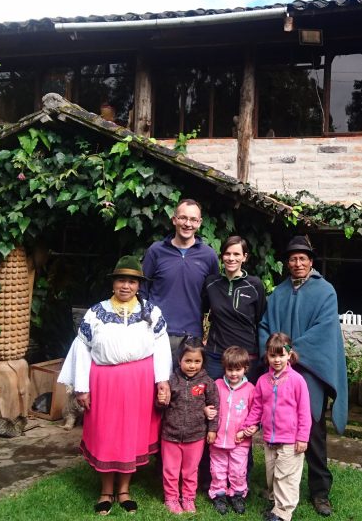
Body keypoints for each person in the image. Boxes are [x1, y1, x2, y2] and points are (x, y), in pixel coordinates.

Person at [57, 255, 171, 515]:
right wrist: (82, 387)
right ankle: (106, 491)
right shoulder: (96, 313)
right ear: (113, 283)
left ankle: (124, 490)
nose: (126, 286)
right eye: (121, 280)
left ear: (138, 285)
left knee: (131, 433)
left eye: (132, 281)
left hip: (140, 381)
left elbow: (161, 346)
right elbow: (82, 349)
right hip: (104, 380)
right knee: (106, 433)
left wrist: (161, 380)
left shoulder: (151, 313)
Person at [257, 235, 347, 517]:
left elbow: (324, 330)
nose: (297, 263)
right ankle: (277, 488)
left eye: (303, 259)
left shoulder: (326, 292)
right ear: (287, 262)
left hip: (309, 373)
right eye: (293, 259)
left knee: (312, 431)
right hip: (277, 373)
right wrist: (274, 353)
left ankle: (320, 491)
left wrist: (291, 352)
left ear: (310, 261)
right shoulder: (278, 294)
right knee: (278, 429)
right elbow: (264, 326)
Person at [240, 333, 311, 521]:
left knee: (285, 477)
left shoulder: (297, 381)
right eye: (273, 356)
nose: (277, 360)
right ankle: (276, 505)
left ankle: (283, 513)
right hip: (270, 438)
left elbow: (304, 412)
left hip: (291, 440)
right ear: (267, 356)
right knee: (272, 475)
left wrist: (302, 437)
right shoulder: (263, 381)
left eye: (281, 355)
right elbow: (256, 407)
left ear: (289, 355)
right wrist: (251, 425)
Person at [143, 199, 219, 356]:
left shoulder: (209, 255)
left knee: (186, 381)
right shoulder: (156, 251)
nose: (188, 223)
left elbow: (213, 296)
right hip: (156, 332)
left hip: (191, 336)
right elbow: (142, 289)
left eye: (193, 219)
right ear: (174, 220)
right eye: (183, 218)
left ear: (200, 223)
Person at [161, 337, 219, 514]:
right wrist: (160, 400)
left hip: (196, 436)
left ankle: (188, 498)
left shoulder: (207, 382)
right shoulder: (171, 380)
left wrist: (212, 429)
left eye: (197, 361)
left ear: (203, 362)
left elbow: (215, 406)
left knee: (190, 470)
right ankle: (171, 498)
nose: (192, 365)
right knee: (171, 470)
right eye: (188, 361)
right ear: (179, 360)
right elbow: (160, 406)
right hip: (170, 435)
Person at [201, 235, 267, 382]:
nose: (231, 258)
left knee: (245, 402)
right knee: (214, 400)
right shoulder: (211, 283)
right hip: (216, 356)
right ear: (222, 256)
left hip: (246, 356)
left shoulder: (255, 285)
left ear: (245, 257)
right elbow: (202, 310)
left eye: (236, 254)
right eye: (227, 253)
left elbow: (261, 320)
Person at [208, 346, 255, 515]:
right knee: (217, 468)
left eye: (238, 370)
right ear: (224, 368)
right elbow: (209, 404)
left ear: (245, 369)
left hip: (239, 440)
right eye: (230, 369)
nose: (234, 374)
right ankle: (219, 494)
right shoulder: (217, 385)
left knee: (238, 470)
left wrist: (251, 428)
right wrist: (207, 411)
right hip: (218, 438)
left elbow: (255, 413)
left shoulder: (250, 389)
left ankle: (237, 494)